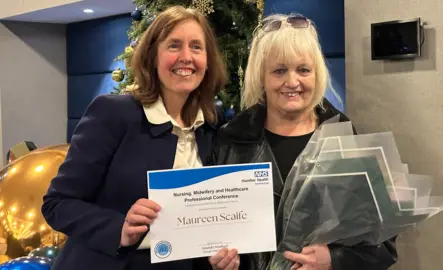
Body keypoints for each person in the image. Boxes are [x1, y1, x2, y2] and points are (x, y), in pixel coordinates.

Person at [41, 6, 230, 270]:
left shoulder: (211, 125)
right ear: (153, 57)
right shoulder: (114, 113)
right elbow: (57, 204)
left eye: (196, 47)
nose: (186, 57)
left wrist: (216, 260)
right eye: (174, 46)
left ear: (208, 60)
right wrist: (120, 228)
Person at [210, 14, 398, 270]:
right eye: (279, 71)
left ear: (317, 74)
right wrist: (220, 262)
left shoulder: (344, 137)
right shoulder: (231, 140)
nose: (292, 82)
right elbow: (209, 235)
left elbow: (384, 243)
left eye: (303, 70)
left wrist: (333, 259)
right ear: (261, 77)